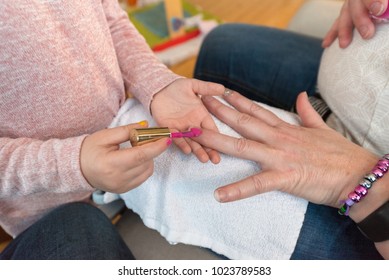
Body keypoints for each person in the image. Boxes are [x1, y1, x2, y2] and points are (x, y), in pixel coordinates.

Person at [0, 1, 224, 259]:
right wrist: (75, 164)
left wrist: (156, 82)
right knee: (80, 226)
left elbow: (111, 20)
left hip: (128, 152)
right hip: (48, 210)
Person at [193, 0, 389, 259]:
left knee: (192, 165)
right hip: (354, 80)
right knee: (220, 46)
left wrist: (360, 180)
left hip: (369, 203)